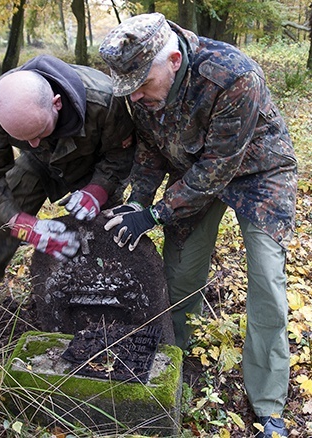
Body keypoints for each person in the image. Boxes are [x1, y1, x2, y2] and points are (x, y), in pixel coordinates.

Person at [99, 13, 297, 438]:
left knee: (266, 282)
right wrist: (138, 201)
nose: (135, 98)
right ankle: (175, 362)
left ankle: (268, 406)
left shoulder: (234, 75)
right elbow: (151, 147)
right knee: (180, 273)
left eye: (142, 87)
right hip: (191, 173)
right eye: (128, 90)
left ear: (173, 60)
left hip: (259, 173)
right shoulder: (142, 90)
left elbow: (217, 168)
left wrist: (155, 214)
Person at [0, 55, 135, 355]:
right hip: (38, 166)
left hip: (94, 166)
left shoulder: (104, 99)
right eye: (24, 138)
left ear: (56, 103)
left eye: (39, 133)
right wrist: (23, 225)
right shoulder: (1, 105)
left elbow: (121, 155)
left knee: (107, 232)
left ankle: (122, 312)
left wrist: (97, 191)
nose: (34, 141)